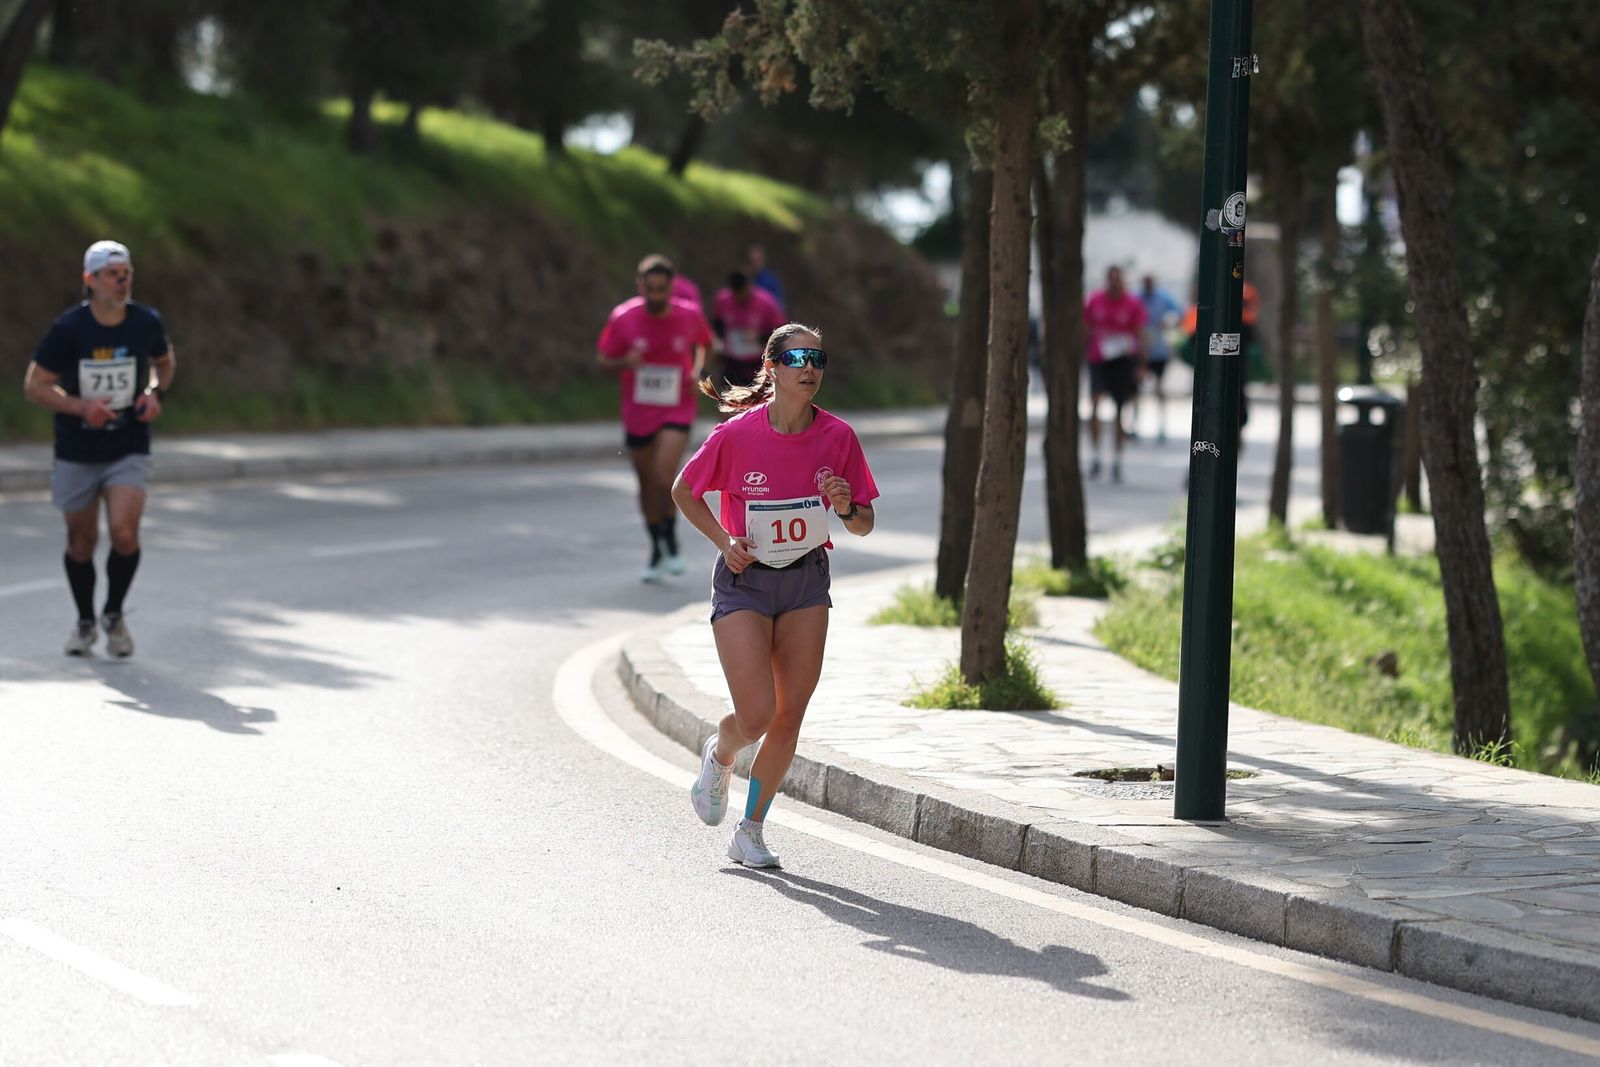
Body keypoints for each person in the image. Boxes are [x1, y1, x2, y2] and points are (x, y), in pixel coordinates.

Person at [672, 324, 878, 868]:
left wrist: (845, 505)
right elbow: (683, 491)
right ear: (773, 368)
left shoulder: (839, 437)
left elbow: (863, 525)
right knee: (757, 714)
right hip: (746, 580)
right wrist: (724, 540)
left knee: (790, 715)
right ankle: (720, 754)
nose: (810, 368)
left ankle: (751, 830)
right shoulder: (738, 436)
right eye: (797, 358)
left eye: (818, 357)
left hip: (807, 581)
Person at [23, 240, 176, 657]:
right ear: (89, 280)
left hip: (128, 444)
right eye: (112, 273)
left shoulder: (145, 322)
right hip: (76, 447)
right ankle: (85, 621)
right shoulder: (69, 329)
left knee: (125, 534)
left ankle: (114, 614)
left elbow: (165, 362)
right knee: (81, 542)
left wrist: (152, 392)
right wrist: (79, 407)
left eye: (127, 272)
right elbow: (34, 386)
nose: (122, 280)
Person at [597, 255, 713, 583]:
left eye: (662, 289)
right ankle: (657, 544)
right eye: (651, 289)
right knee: (646, 482)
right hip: (638, 410)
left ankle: (671, 539)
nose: (656, 296)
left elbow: (706, 344)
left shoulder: (688, 315)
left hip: (677, 406)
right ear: (640, 286)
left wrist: (698, 371)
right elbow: (602, 360)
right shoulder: (623, 317)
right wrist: (623, 362)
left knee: (665, 476)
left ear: (671, 287)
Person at [1083, 265, 1147, 483]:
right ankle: (1095, 455)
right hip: (1098, 359)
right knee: (1094, 404)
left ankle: (1117, 459)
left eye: (1117, 279)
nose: (1114, 283)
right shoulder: (1095, 300)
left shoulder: (1132, 304)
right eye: (1111, 279)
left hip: (1123, 362)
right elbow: (1085, 328)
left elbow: (1141, 335)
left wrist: (1140, 365)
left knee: (1121, 411)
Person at [711, 270, 786, 387]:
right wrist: (718, 345)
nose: (740, 298)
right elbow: (717, 325)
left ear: (749, 286)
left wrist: (760, 337)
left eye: (742, 293)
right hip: (732, 362)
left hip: (758, 362)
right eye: (736, 294)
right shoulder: (723, 301)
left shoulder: (766, 302)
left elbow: (781, 331)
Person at [1138, 274, 1182, 443]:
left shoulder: (1164, 297)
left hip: (1159, 350)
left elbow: (1177, 314)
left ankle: (1161, 426)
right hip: (1142, 349)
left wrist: (1168, 322)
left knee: (1160, 388)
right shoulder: (1137, 297)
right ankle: (1136, 425)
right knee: (1137, 388)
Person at [744, 243, 785, 311]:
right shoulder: (743, 278)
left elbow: (779, 305)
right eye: (752, 260)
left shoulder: (771, 280)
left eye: (757, 260)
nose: (754, 264)